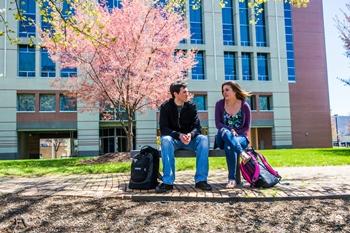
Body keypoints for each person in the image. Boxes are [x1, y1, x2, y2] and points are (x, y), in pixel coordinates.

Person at [156, 81, 212, 193]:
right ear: (175, 94)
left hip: (190, 140)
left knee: (204, 139)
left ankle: (201, 180)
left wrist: (190, 135)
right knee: (165, 140)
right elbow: (164, 128)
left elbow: (197, 127)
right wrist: (178, 135)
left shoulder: (191, 106)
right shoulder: (165, 107)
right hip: (174, 141)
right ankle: (168, 182)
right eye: (184, 92)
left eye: (187, 91)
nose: (187, 94)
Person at [215, 81, 252, 189]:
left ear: (235, 90)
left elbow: (246, 127)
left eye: (227, 90)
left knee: (230, 146)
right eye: (223, 90)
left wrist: (236, 134)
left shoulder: (244, 105)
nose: (224, 92)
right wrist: (230, 130)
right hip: (222, 137)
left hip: (241, 138)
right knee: (225, 132)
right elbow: (218, 124)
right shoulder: (219, 104)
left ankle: (232, 179)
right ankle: (242, 153)